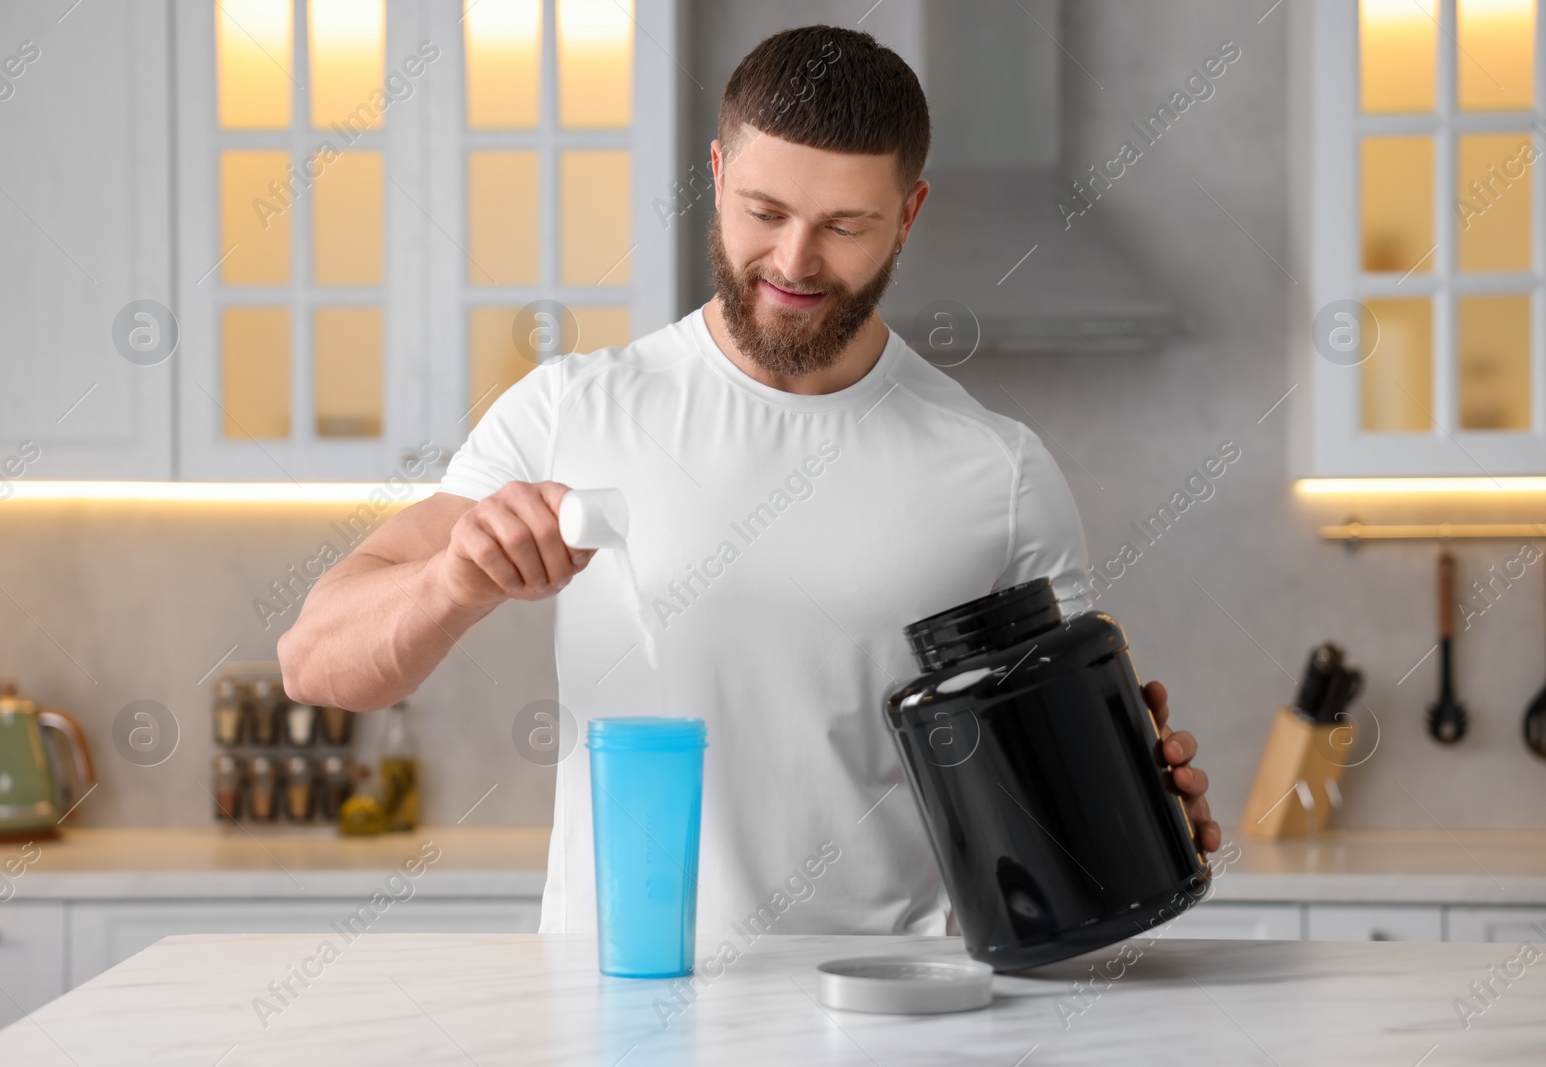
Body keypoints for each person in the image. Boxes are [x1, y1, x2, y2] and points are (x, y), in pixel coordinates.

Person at [280, 24, 1217, 937]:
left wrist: (1132, 811)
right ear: (719, 174)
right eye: (765, 212)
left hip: (884, 1015)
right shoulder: (572, 409)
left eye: (845, 225)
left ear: (910, 215)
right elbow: (315, 662)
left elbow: (1059, 778)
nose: (795, 262)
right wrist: (451, 582)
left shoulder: (999, 471)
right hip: (620, 1005)